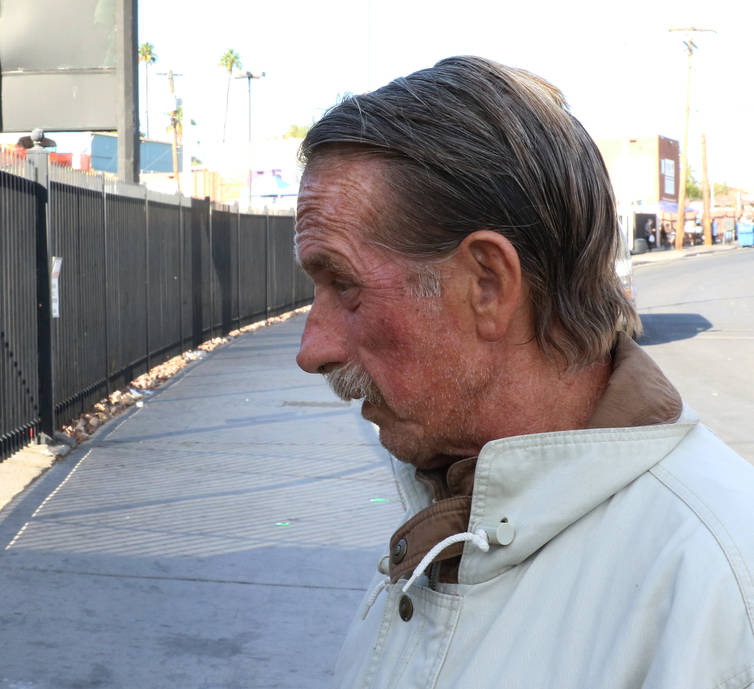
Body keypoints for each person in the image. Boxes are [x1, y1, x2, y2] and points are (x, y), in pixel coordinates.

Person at [293, 56, 754, 689]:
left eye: (342, 284)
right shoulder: (447, 504)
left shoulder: (721, 587)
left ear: (488, 284)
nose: (311, 349)